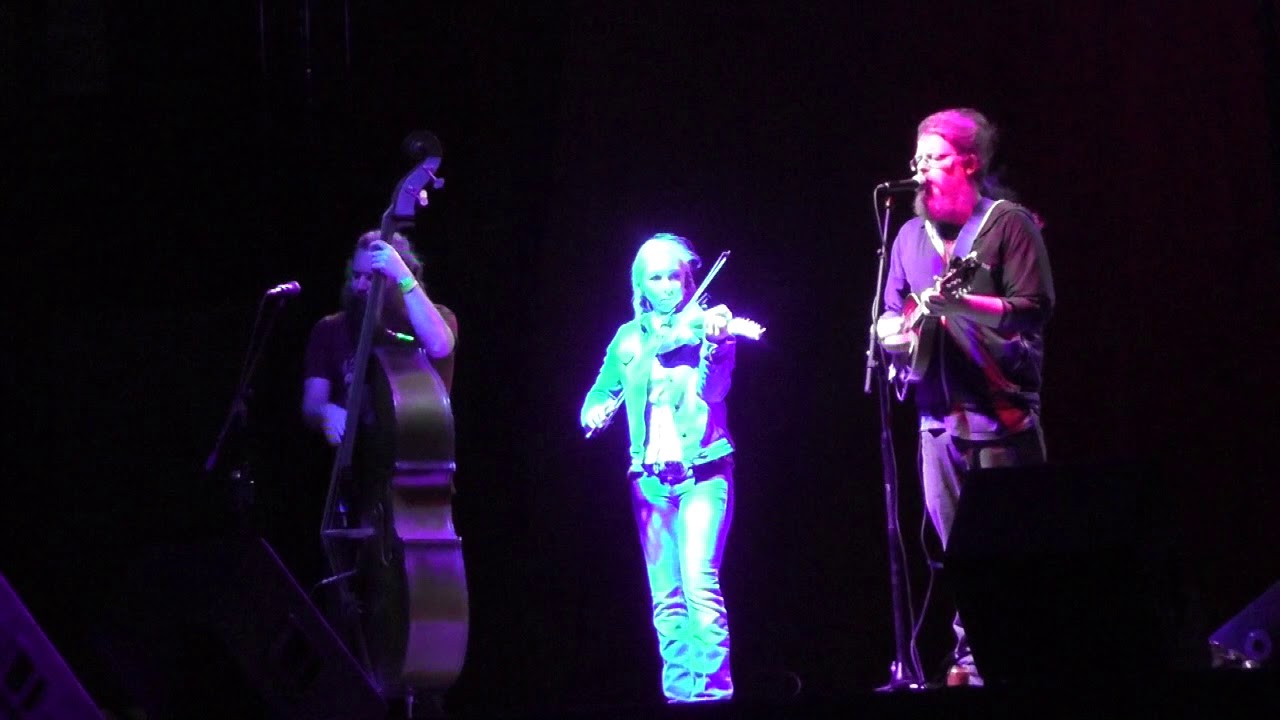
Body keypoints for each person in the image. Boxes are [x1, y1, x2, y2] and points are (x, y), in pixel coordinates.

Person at [875, 108, 1055, 687]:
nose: (921, 169)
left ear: (969, 162)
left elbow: (1035, 308)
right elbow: (889, 312)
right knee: (959, 555)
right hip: (935, 422)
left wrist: (963, 306)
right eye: (917, 159)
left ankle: (1021, 665)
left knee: (1013, 552)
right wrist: (888, 332)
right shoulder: (905, 236)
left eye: (934, 158)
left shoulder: (1008, 225)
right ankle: (976, 661)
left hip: (1000, 418)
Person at [580, 233, 739, 704]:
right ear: (640, 286)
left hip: (704, 473)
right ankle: (678, 697)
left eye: (675, 276)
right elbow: (601, 390)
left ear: (690, 280)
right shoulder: (628, 339)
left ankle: (712, 697)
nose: (667, 286)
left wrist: (717, 346)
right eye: (656, 277)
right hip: (648, 480)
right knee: (665, 600)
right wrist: (590, 410)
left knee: (700, 589)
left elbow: (714, 393)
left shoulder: (703, 325)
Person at [302, 229, 457, 447]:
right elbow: (312, 403)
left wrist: (404, 275)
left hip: (416, 459)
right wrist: (325, 410)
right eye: (356, 276)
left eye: (372, 278)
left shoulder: (439, 319)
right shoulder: (331, 328)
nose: (360, 286)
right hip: (356, 466)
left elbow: (439, 345)